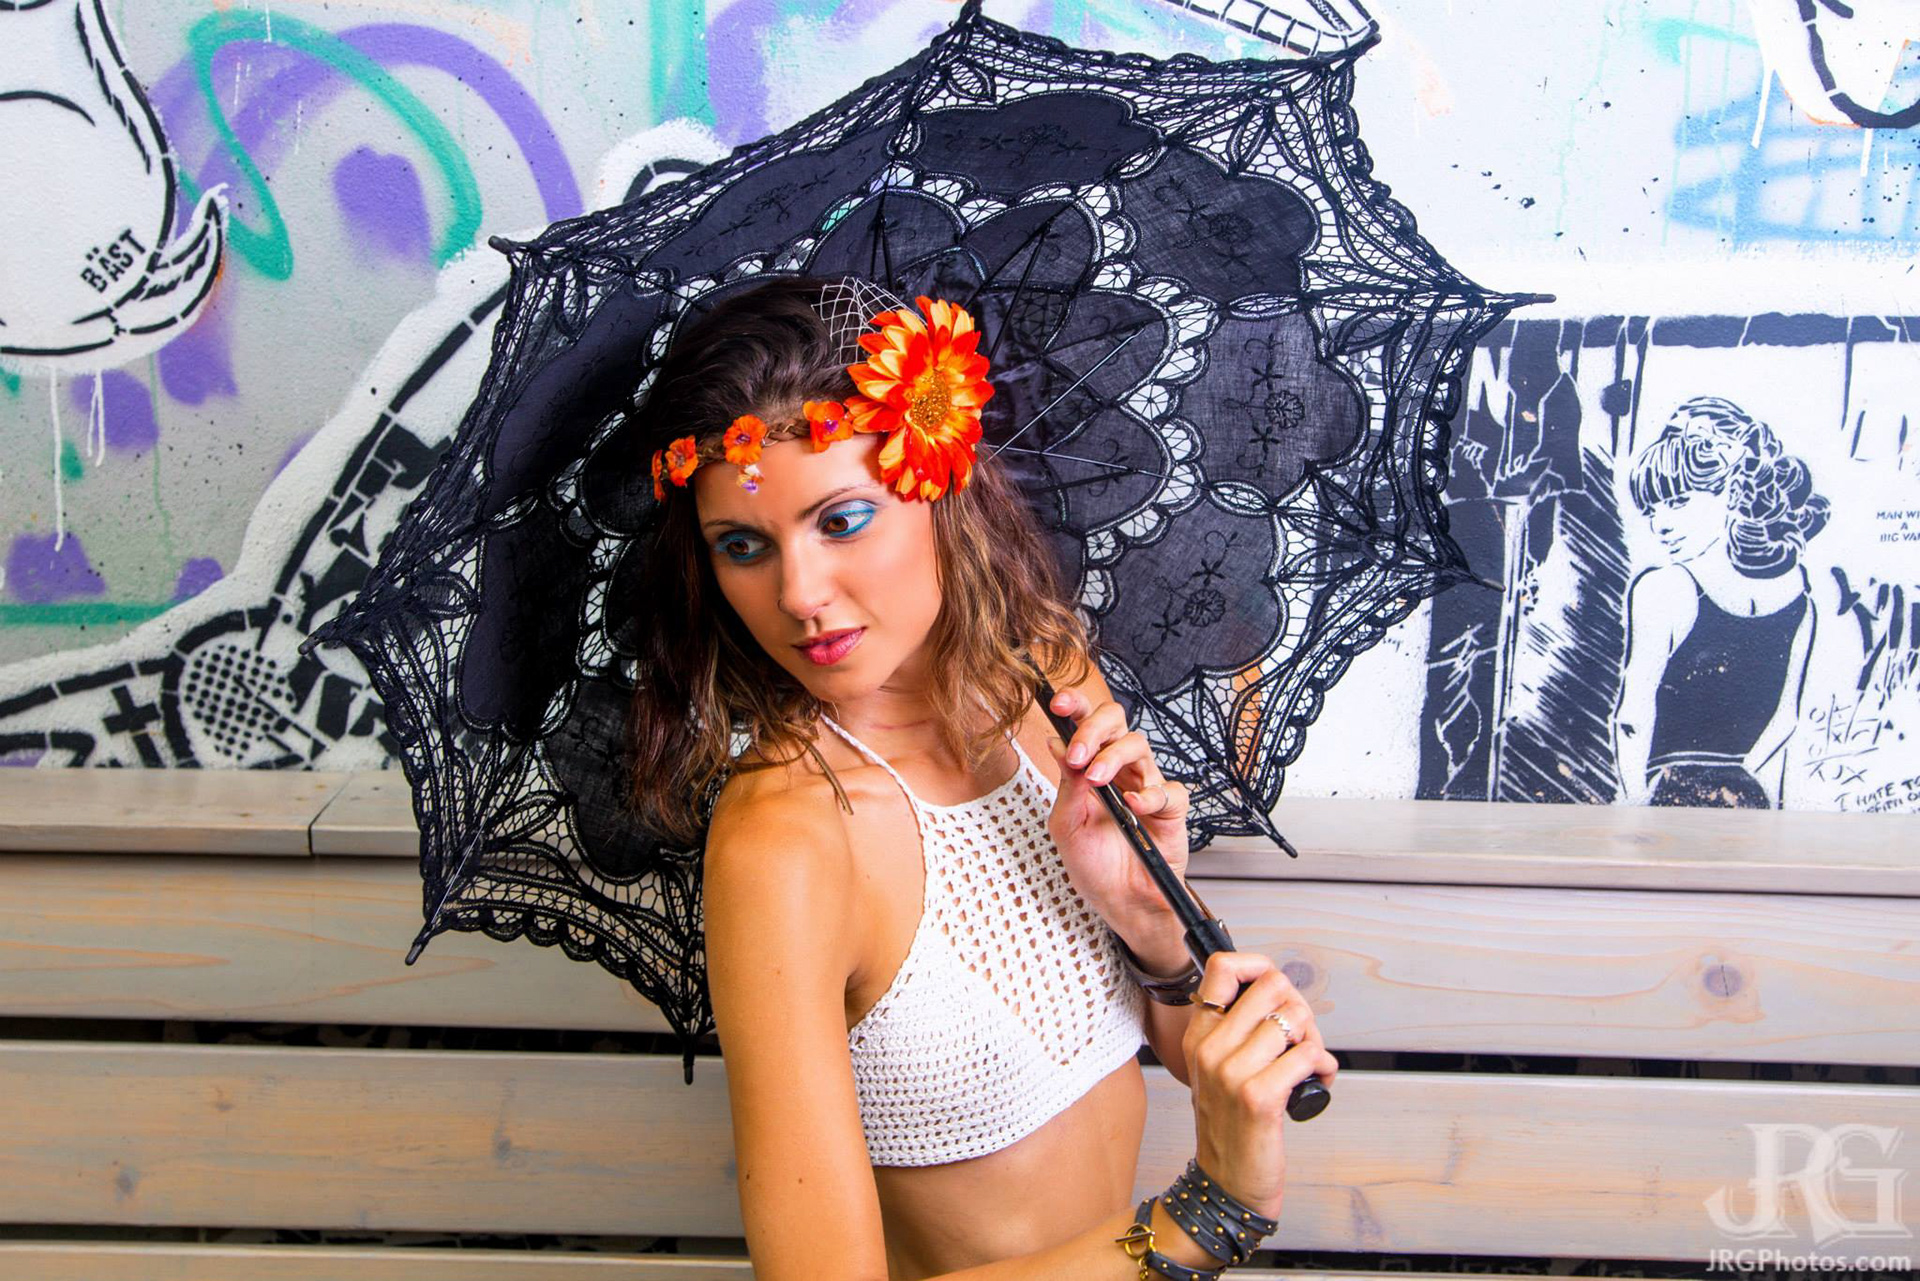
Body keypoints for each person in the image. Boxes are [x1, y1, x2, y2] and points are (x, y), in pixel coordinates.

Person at [619, 276, 1338, 1281]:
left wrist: (1151, 927)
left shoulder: (1046, 682)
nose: (800, 594)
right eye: (742, 547)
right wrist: (1205, 1218)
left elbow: (1178, 1044)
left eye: (842, 520)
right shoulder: (787, 841)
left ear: (937, 484)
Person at [1613, 396, 1829, 808]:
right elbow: (1787, 719)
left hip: (1667, 797)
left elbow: (1632, 718)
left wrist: (1637, 801)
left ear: (1732, 494)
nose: (1660, 524)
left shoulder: (1665, 587)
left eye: (1678, 501)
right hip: (1745, 798)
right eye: (1652, 508)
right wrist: (1736, 779)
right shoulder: (1800, 603)